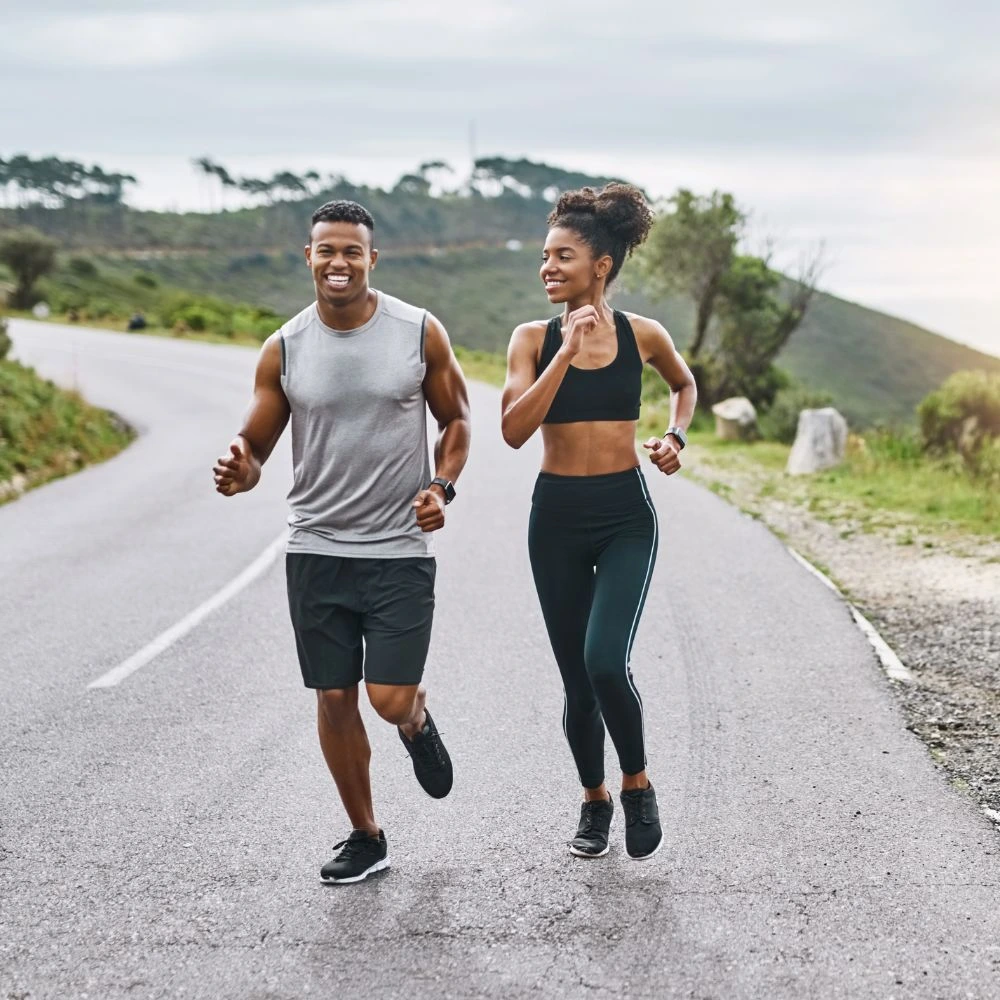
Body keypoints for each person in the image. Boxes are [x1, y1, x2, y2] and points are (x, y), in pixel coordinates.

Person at [213, 200, 471, 884]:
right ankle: (366, 834)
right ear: (308, 257)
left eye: (351, 251)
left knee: (387, 697)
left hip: (396, 550)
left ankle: (414, 721)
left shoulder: (418, 332)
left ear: (372, 259)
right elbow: (257, 441)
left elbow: (457, 421)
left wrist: (441, 486)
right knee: (333, 696)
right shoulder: (286, 347)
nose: (338, 262)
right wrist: (242, 467)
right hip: (316, 548)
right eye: (326, 250)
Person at [501, 183, 696, 861]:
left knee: (605, 661)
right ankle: (594, 801)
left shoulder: (644, 335)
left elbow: (684, 384)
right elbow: (512, 431)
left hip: (623, 515)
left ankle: (637, 783)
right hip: (554, 518)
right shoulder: (530, 340)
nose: (547, 268)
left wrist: (676, 437)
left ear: (601, 266)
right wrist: (562, 353)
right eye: (545, 257)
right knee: (578, 685)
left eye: (562, 256)